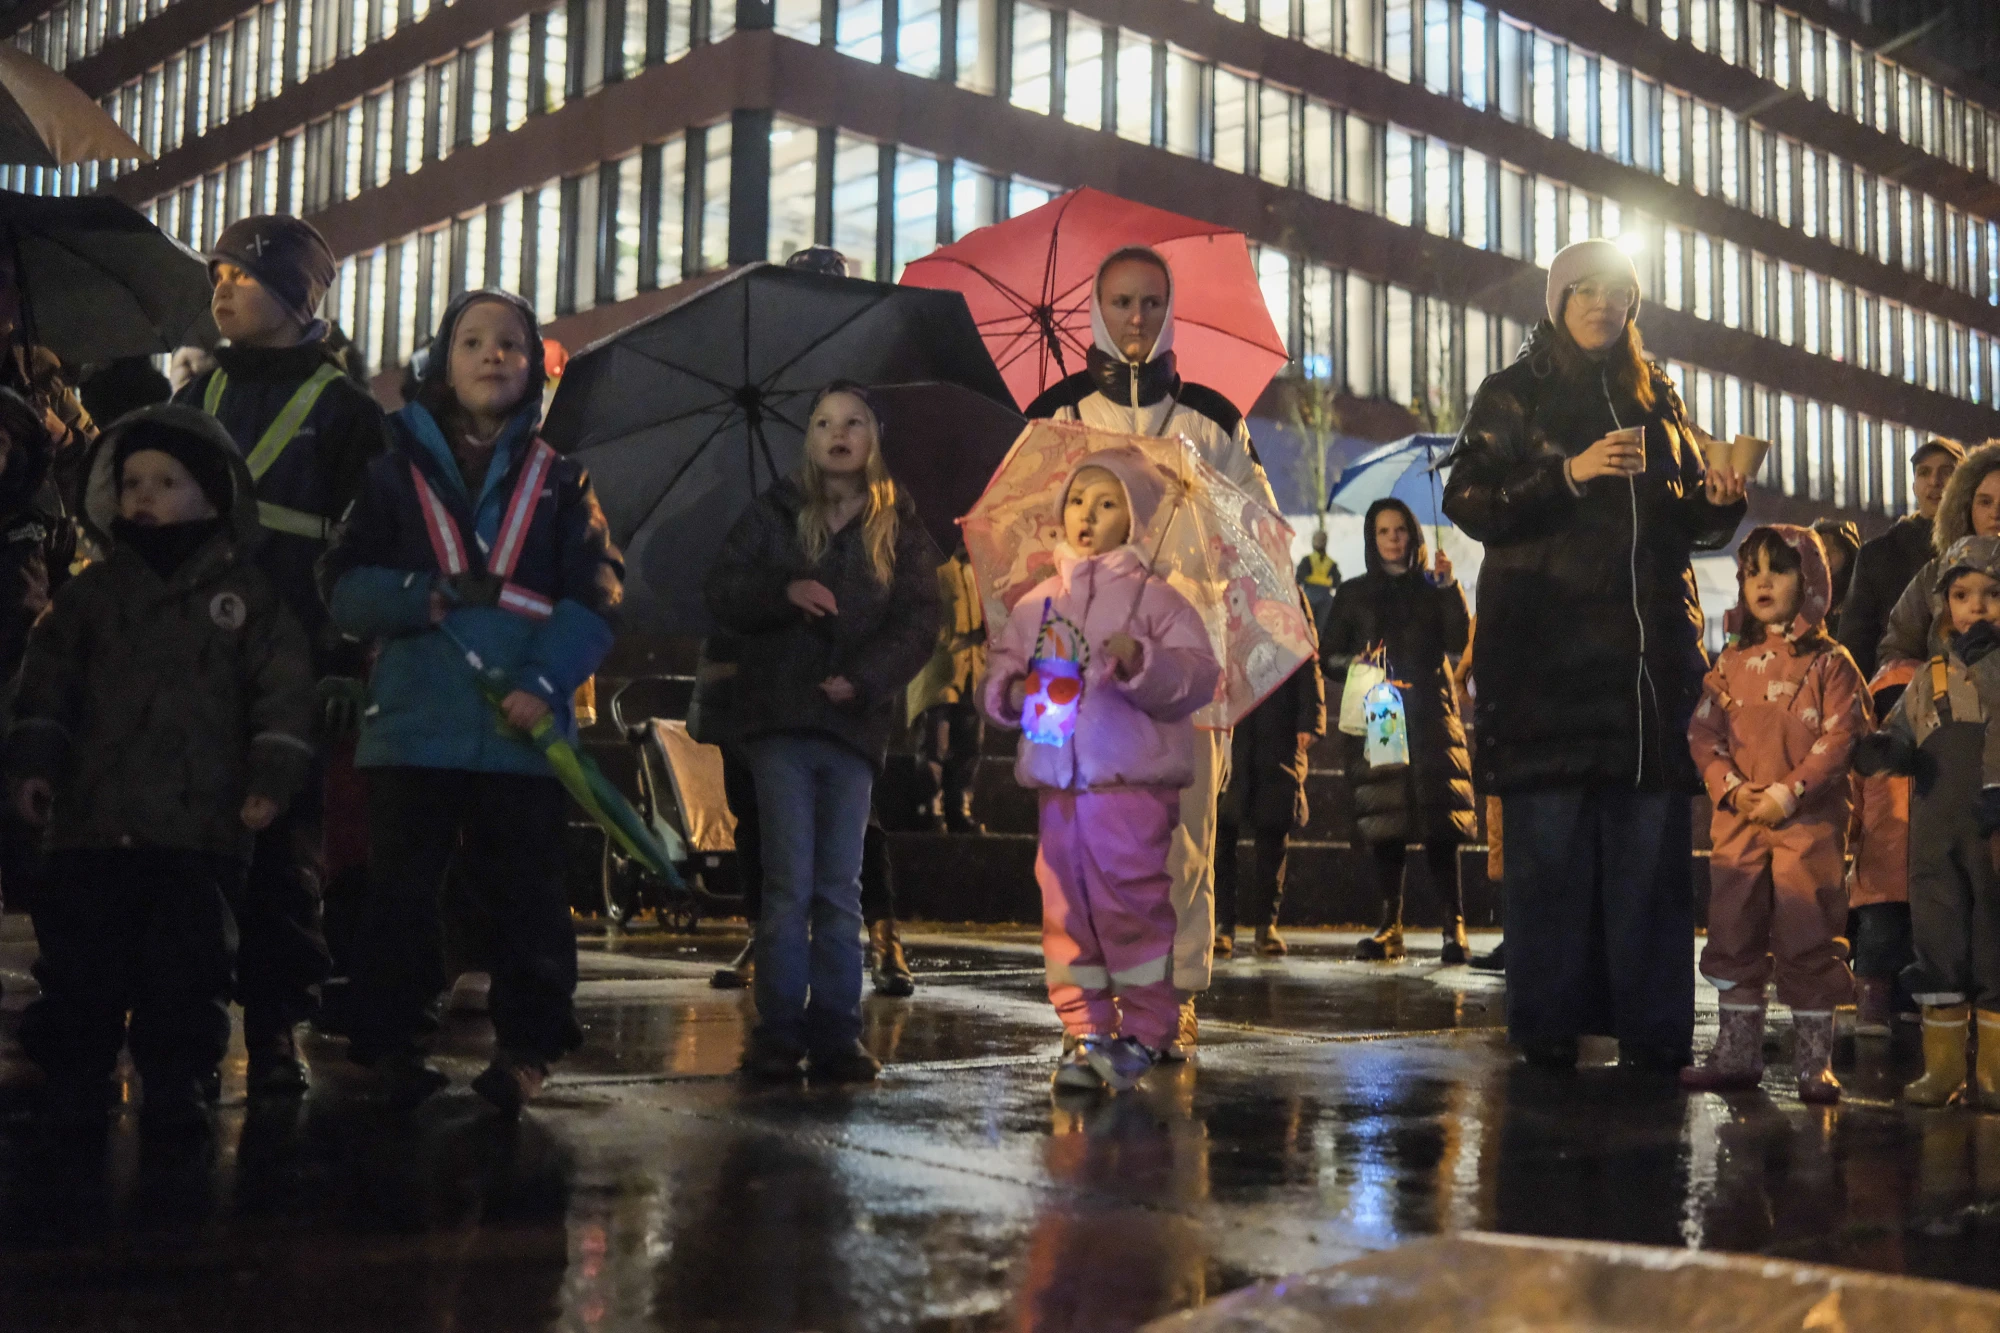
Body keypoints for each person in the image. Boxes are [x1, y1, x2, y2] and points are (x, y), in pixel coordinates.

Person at [1443, 238, 1747, 1072]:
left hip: (1645, 673)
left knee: (1649, 867)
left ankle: (1652, 1033)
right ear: (1559, 301)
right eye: (1586, 291)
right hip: (1546, 668)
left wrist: (1720, 503)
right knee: (1549, 862)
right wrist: (1566, 474)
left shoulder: (1659, 397)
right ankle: (1547, 1029)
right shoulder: (1513, 393)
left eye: (1618, 294)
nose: (1603, 306)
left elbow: (1685, 524)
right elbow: (1466, 498)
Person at [323, 289, 622, 1115]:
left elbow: (596, 594)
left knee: (527, 894)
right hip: (414, 725)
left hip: (517, 726)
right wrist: (417, 595)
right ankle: (391, 1041)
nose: (493, 355)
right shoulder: (389, 475)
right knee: (402, 896)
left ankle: (527, 1046)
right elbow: (342, 588)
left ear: (532, 369)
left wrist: (545, 683)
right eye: (472, 342)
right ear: (441, 364)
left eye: (511, 344)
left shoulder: (562, 480)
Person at [8, 406, 315, 1137]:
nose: (144, 494)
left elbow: (281, 692)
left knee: (188, 964)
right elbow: (46, 687)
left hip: (199, 826)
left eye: (167, 480)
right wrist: (34, 763)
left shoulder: (247, 600)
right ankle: (74, 1070)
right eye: (132, 480)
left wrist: (270, 776)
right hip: (94, 822)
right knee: (82, 959)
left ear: (213, 495)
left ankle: (180, 1075)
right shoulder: (89, 596)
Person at [1025, 245, 1279, 1058]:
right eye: (1122, 302)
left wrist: (1197, 535)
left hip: (1186, 655)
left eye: (1150, 303)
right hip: (1078, 663)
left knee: (1186, 836)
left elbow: (1257, 535)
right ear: (1098, 310)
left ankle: (1172, 997)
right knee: (1076, 840)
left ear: (1168, 312)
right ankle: (1089, 1014)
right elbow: (1031, 528)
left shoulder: (1212, 415)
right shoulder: (1058, 411)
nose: (1136, 319)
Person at [177, 213, 389, 1097]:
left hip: (295, 663)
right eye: (217, 272)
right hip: (198, 663)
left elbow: (372, 544)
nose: (221, 287)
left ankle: (273, 1032)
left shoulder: (344, 412)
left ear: (299, 295)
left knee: (283, 861)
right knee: (192, 855)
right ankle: (185, 1030)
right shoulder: (192, 402)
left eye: (244, 274)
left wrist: (345, 657)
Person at [703, 381, 941, 1084]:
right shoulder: (775, 512)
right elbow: (723, 588)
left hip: (852, 730)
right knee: (787, 882)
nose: (838, 433)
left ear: (874, 439)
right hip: (778, 721)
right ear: (807, 438)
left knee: (839, 884)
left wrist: (865, 679)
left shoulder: (898, 525)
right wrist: (784, 592)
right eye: (823, 421)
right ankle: (778, 1029)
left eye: (854, 422)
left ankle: (838, 1029)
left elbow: (917, 621)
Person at [983, 447, 1221, 1092]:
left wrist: (1141, 658)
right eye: (1077, 500)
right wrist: (1007, 691)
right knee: (1066, 907)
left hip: (1129, 786)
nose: (1086, 513)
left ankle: (1144, 1030)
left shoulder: (1159, 600)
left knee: (1130, 906)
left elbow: (1197, 676)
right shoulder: (1038, 603)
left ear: (1135, 522)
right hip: (1059, 788)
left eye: (1107, 502)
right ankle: (1084, 1029)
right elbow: (1005, 668)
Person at [1680, 526, 1868, 1103]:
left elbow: (1840, 737)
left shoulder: (1831, 664)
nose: (1762, 580)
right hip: (1739, 823)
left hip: (1806, 826)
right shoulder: (1730, 662)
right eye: (1752, 570)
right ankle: (1737, 1052)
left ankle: (1815, 1063)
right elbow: (1704, 733)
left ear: (1809, 582)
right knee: (1733, 927)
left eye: (1779, 569)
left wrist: (1786, 794)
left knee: (1810, 929)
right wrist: (1733, 791)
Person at [1855, 535, 2000, 1110]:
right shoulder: (1930, 675)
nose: (1977, 606)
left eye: (1993, 593)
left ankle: (1992, 1074)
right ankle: (1943, 1072)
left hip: (1992, 837)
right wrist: (1885, 750)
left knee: (1995, 941)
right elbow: (1903, 730)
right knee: (1938, 937)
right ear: (1944, 605)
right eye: (1963, 594)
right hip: (1934, 840)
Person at [1320, 498, 1477, 964]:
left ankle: (1454, 927)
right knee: (1387, 819)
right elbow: (1328, 656)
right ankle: (1391, 925)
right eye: (1383, 531)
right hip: (1381, 713)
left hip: (1430, 711)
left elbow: (1458, 641)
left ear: (1413, 534)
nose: (1392, 538)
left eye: (1399, 529)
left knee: (1439, 822)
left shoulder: (1434, 586)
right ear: (1372, 538)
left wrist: (1450, 589)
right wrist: (1355, 662)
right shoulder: (1353, 594)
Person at [1214, 637, 1324, 959]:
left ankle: (1266, 924)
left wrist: (1310, 719)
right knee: (1222, 831)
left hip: (1278, 725)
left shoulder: (1286, 600)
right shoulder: (1220, 595)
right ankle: (1223, 923)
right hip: (1230, 723)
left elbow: (1306, 656)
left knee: (1273, 828)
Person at [1838, 437, 1963, 682]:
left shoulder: (1979, 551)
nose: (1935, 482)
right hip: (1897, 693)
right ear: (1914, 485)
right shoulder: (1879, 555)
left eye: (1946, 472)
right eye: (1924, 473)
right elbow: (1856, 641)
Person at [1877, 440, 2000, 671]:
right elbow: (1897, 651)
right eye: (1985, 502)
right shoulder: (1934, 576)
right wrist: (1930, 692)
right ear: (1966, 507)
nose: (1995, 513)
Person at [908, 542, 988, 834]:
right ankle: (929, 805)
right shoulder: (934, 569)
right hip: (939, 674)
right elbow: (920, 621)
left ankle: (959, 807)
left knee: (970, 745)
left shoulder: (982, 573)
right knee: (934, 743)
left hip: (974, 673)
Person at [1811, 517, 1860, 642]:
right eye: (1819, 552)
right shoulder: (1806, 592)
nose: (1825, 558)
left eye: (1832, 550)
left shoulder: (1860, 590)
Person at [1296, 528, 1340, 630]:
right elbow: (1337, 583)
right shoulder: (1331, 563)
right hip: (1326, 599)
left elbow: (1298, 578)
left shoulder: (1307, 560)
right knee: (1322, 628)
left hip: (1309, 596)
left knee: (1307, 627)